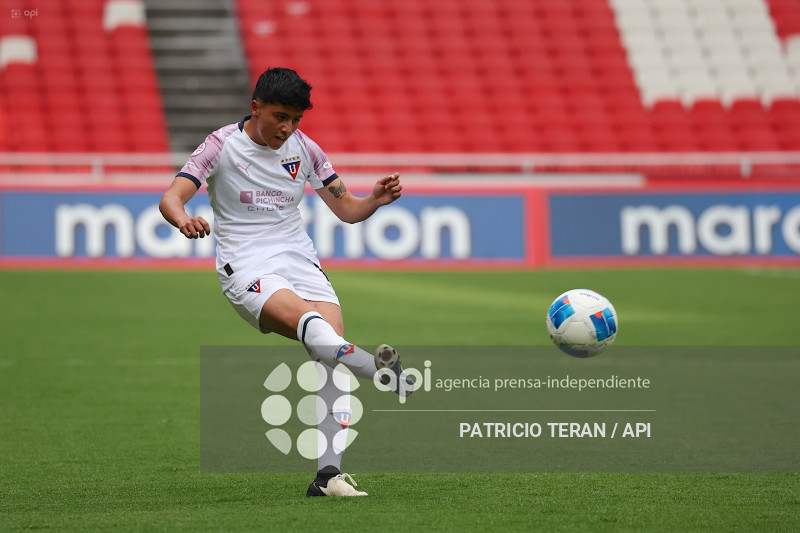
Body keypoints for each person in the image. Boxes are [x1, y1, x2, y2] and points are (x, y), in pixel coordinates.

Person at [159, 67, 413, 497]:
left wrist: (374, 200)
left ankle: (327, 477)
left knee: (328, 354)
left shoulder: (307, 150)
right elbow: (171, 197)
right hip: (247, 264)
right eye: (280, 116)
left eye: (296, 119)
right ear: (256, 108)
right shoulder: (221, 145)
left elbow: (347, 209)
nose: (287, 127)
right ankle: (380, 371)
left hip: (300, 261)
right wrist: (184, 219)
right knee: (316, 330)